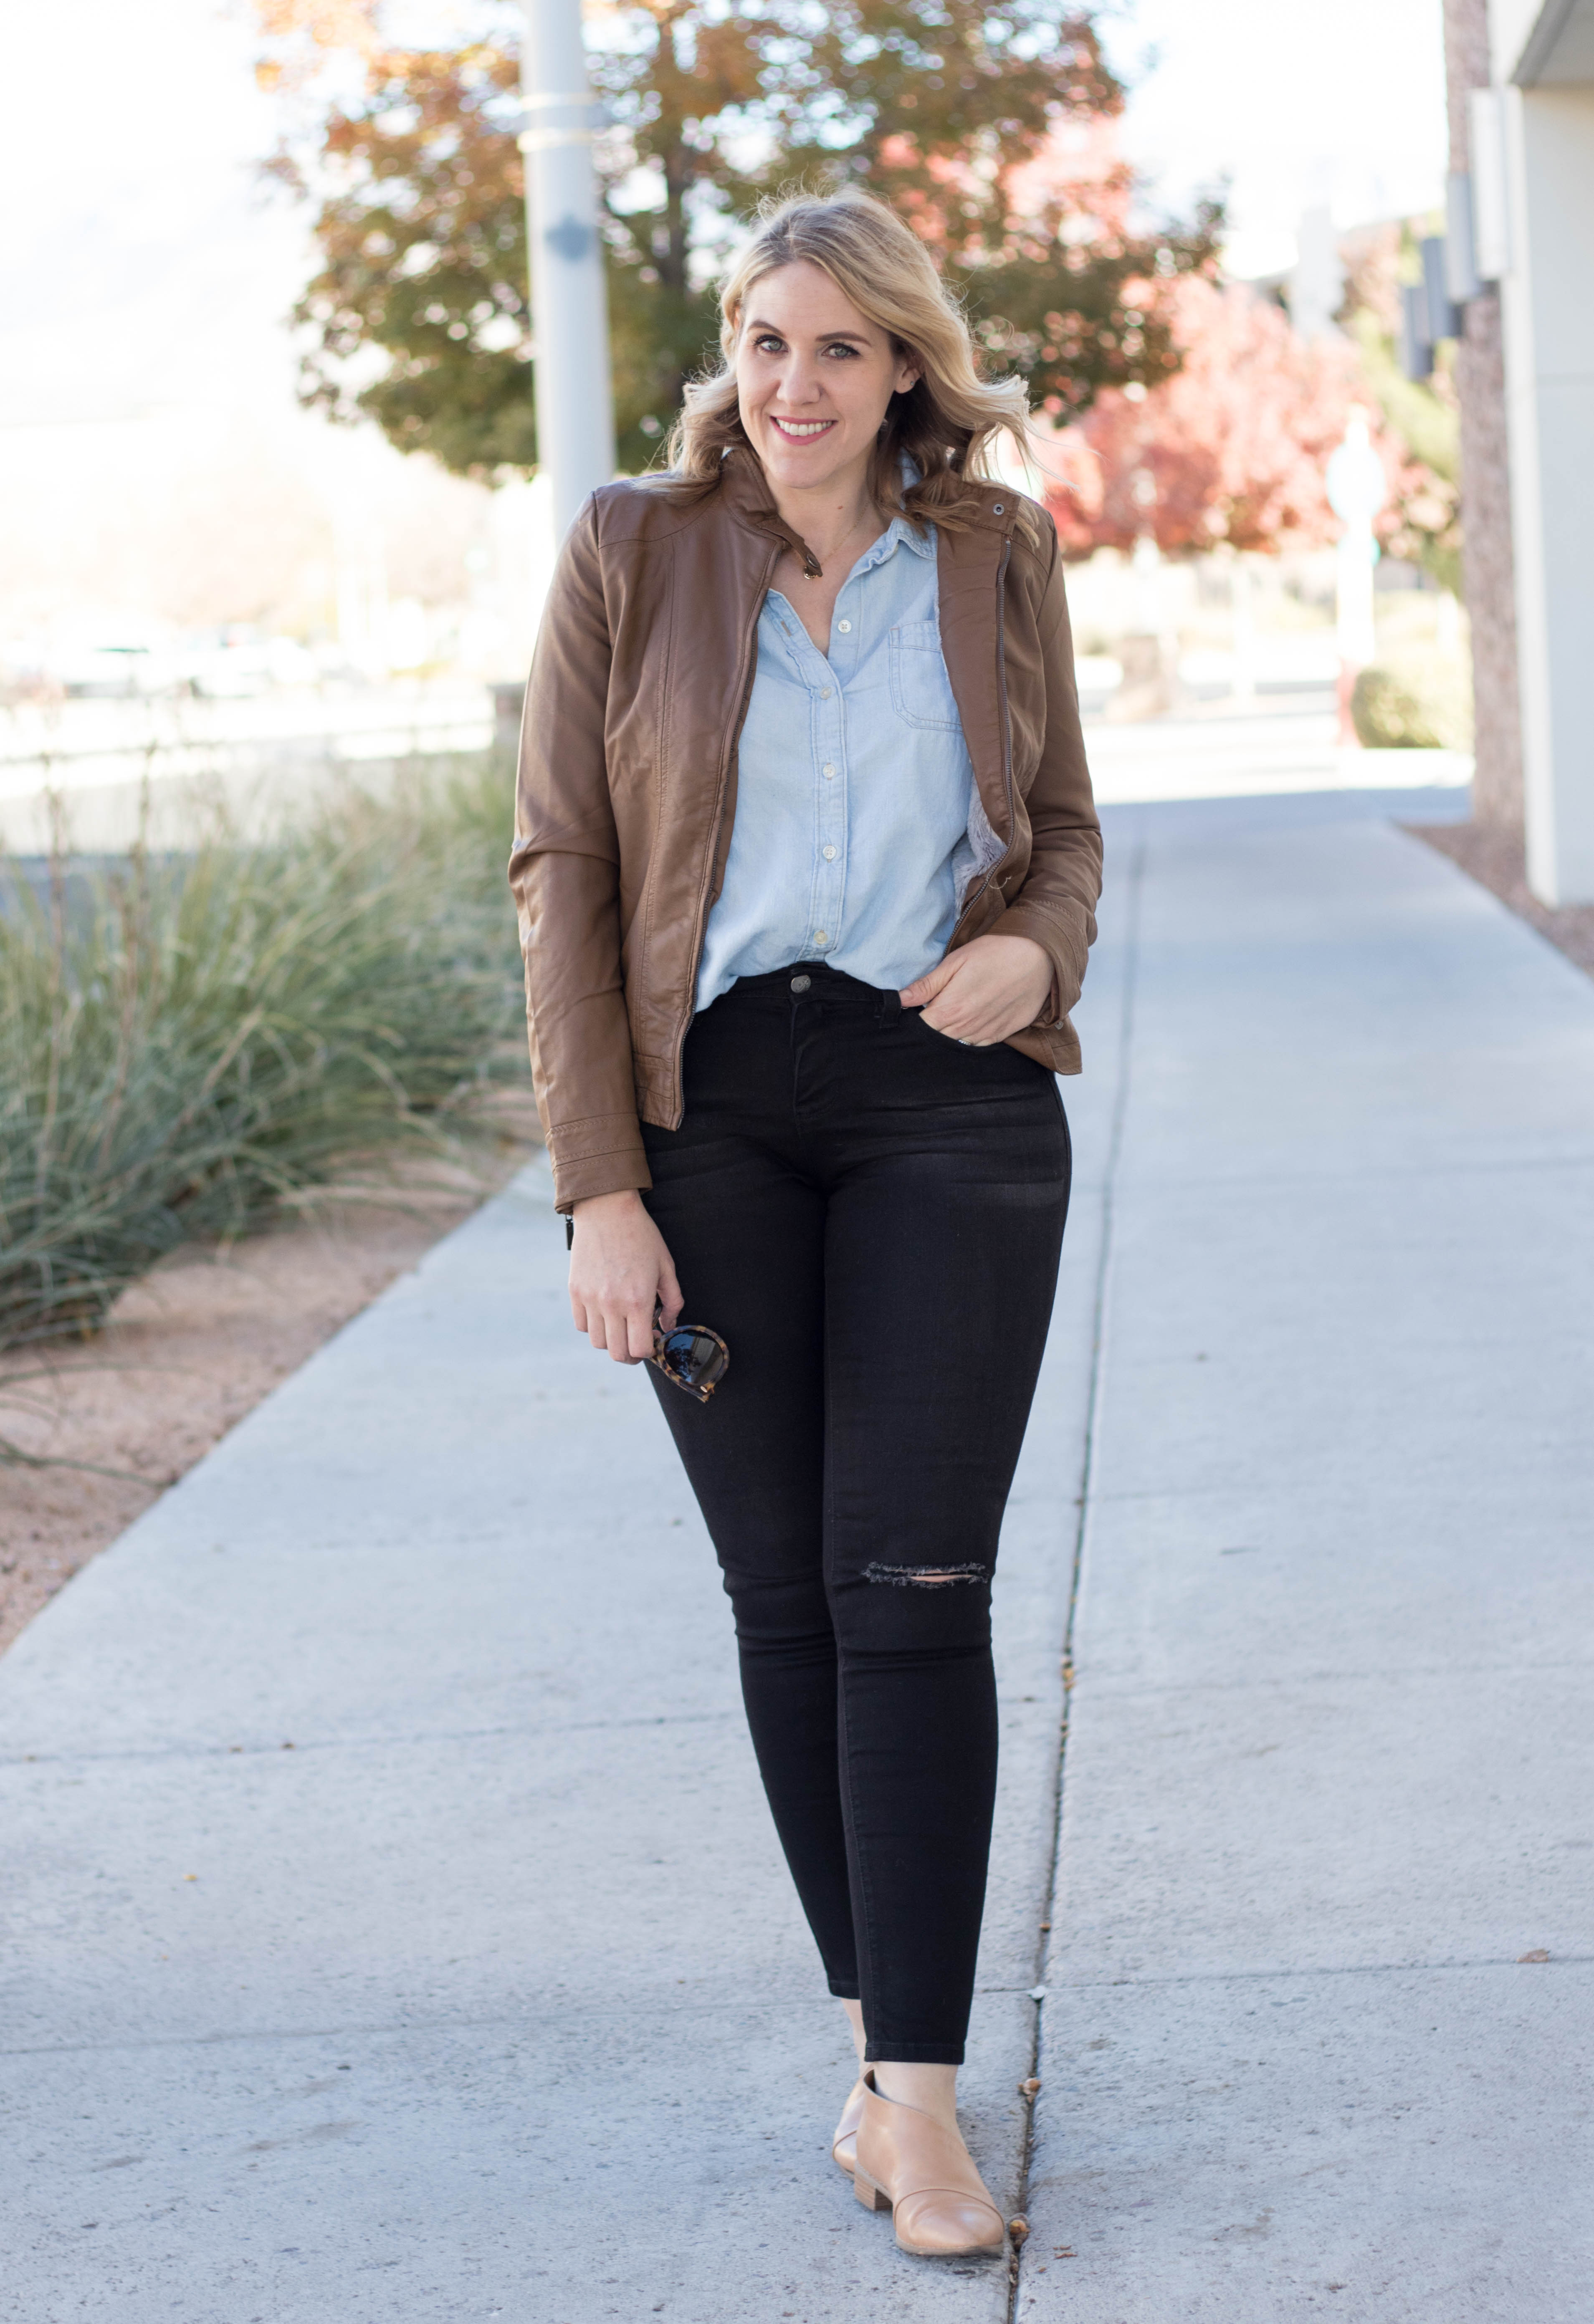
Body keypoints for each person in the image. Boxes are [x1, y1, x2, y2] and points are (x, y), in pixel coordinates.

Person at [509, 187, 1101, 2261]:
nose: (796, 383)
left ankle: (920, 2113)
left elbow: (1065, 839)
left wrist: (1037, 961)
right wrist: (599, 1184)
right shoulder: (633, 548)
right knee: (789, 1599)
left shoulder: (993, 550)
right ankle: (877, 2062)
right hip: (713, 1118)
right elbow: (564, 864)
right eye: (767, 340)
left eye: (842, 347)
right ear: (728, 359)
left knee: (914, 1585)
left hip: (946, 1097)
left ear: (908, 367)